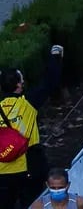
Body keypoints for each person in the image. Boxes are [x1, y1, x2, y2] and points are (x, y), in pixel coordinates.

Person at [0, 69, 41, 209]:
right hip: (28, 169)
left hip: (2, 173)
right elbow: (50, 82)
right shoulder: (28, 103)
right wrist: (56, 56)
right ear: (19, 85)